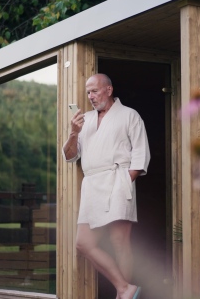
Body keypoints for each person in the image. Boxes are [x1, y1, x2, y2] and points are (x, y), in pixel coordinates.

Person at [62, 73, 150, 299]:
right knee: (83, 243)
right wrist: (74, 133)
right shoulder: (85, 121)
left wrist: (124, 182)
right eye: (88, 92)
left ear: (109, 90)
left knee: (119, 241)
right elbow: (70, 156)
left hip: (117, 180)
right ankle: (125, 288)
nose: (90, 96)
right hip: (92, 185)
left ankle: (123, 295)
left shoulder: (130, 115)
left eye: (94, 91)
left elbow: (141, 155)